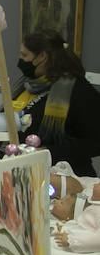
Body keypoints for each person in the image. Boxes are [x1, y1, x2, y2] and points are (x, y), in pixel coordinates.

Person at [16, 30, 100, 176]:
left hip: (65, 177)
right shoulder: (27, 84)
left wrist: (47, 151)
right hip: (24, 169)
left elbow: (93, 142)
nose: (20, 59)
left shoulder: (78, 91)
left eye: (24, 55)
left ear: (42, 56)